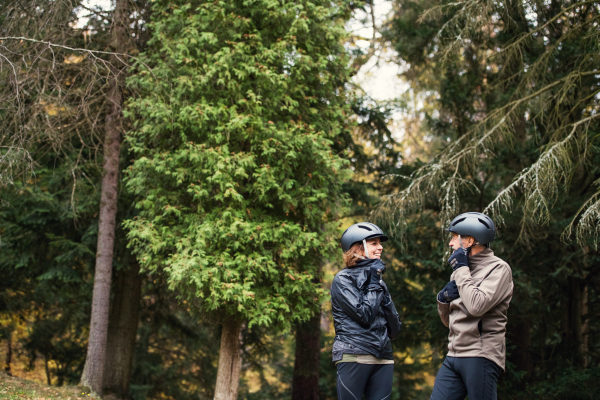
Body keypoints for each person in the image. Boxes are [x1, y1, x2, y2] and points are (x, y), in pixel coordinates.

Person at [430, 212, 513, 400]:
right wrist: (442, 300)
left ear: (469, 241)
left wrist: (460, 270)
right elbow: (449, 322)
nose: (450, 244)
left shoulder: (498, 269)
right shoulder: (461, 271)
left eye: (453, 238)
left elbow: (477, 306)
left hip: (480, 355)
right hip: (454, 355)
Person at [330, 222, 402, 400]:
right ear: (358, 247)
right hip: (354, 354)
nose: (380, 247)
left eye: (380, 243)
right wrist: (374, 282)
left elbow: (395, 327)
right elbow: (365, 314)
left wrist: (377, 283)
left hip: (383, 357)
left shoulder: (377, 281)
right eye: (374, 243)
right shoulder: (343, 280)